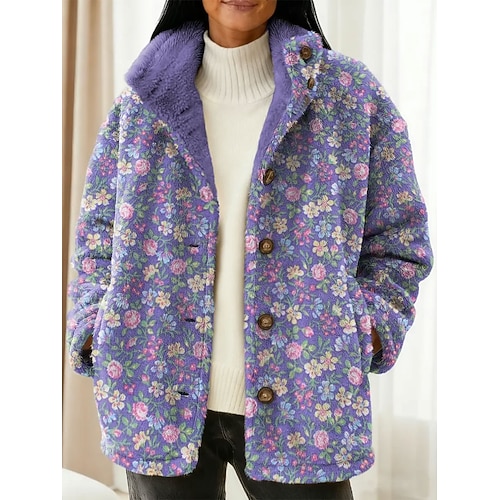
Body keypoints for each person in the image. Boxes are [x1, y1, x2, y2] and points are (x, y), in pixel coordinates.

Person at [66, 0, 433, 498]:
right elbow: (97, 234)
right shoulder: (144, 101)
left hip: (308, 401)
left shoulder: (348, 96)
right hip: (153, 394)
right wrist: (95, 327)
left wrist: (365, 331)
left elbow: (399, 237)